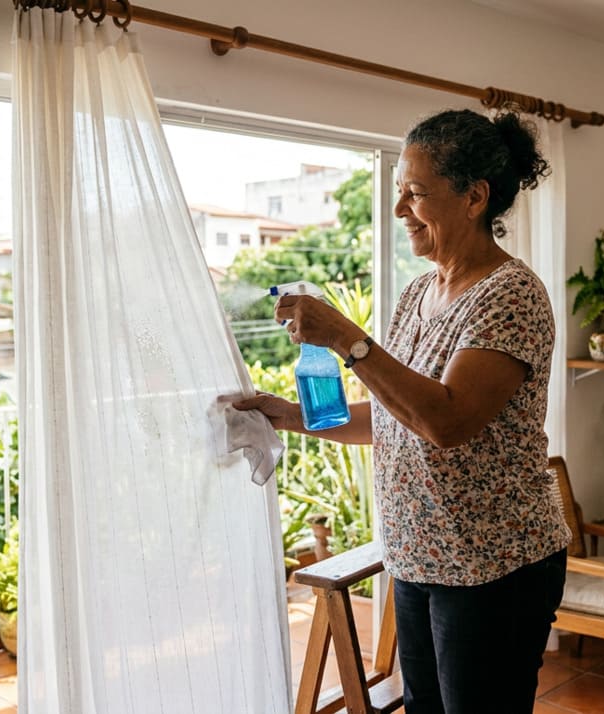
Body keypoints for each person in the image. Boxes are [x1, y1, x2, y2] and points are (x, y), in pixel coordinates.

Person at [235, 108, 570, 713]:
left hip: (492, 568)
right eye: (399, 193)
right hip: (417, 556)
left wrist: (348, 340)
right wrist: (287, 415)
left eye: (414, 194)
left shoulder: (512, 294)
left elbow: (444, 421)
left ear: (474, 198)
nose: (399, 211)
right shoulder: (419, 292)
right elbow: (396, 415)